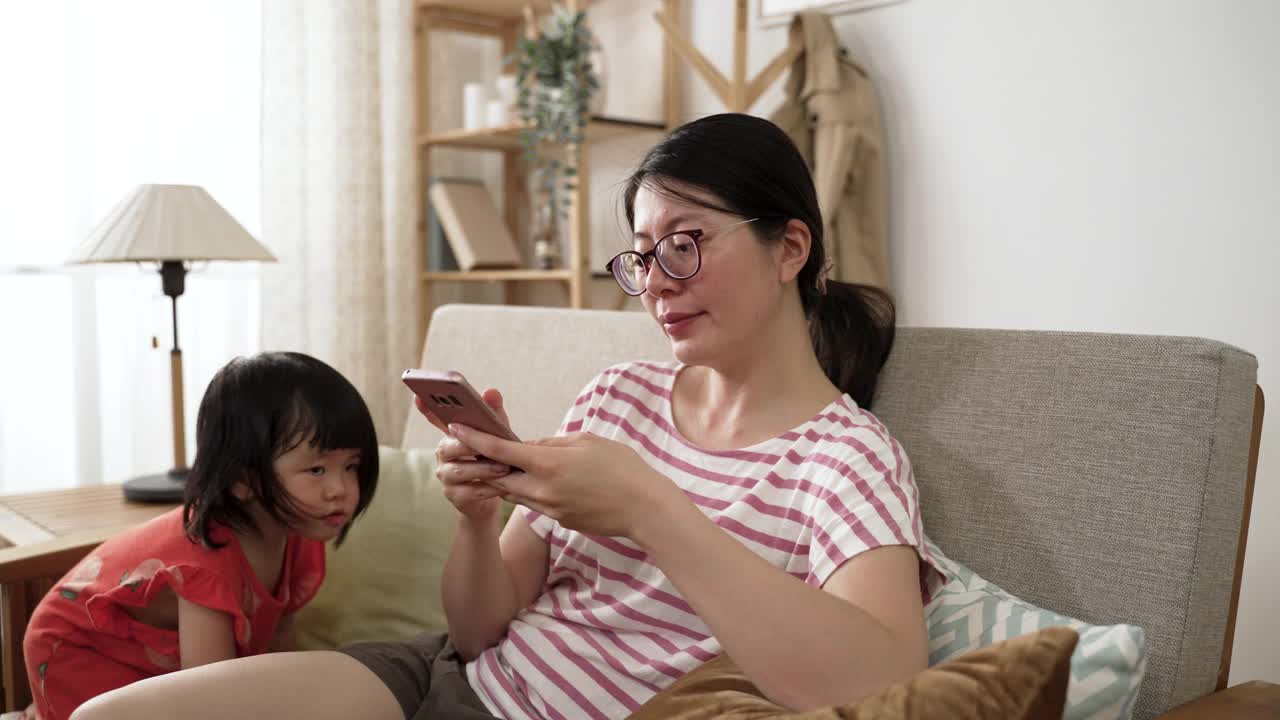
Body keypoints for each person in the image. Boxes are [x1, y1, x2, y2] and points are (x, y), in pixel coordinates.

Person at [71, 113, 945, 720]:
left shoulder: (846, 458)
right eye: (642, 257)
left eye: (686, 243)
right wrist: (479, 525)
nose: (659, 283)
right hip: (441, 677)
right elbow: (478, 629)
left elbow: (880, 679)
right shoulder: (619, 397)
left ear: (788, 246)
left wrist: (646, 505)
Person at [26, 352, 379, 720]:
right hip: (77, 647)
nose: (340, 489)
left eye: (351, 466)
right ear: (242, 481)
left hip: (158, 661)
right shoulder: (205, 567)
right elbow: (206, 699)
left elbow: (276, 656)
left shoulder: (301, 536)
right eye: (317, 469)